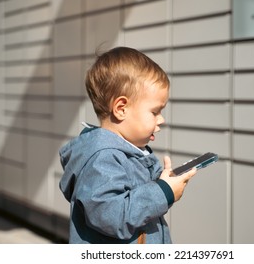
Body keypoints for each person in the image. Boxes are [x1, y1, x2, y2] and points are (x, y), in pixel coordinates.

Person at [59, 46, 196, 244]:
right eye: (155, 112)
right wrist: (163, 192)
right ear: (121, 109)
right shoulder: (102, 158)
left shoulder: (131, 152)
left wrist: (165, 181)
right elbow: (113, 217)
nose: (162, 119)